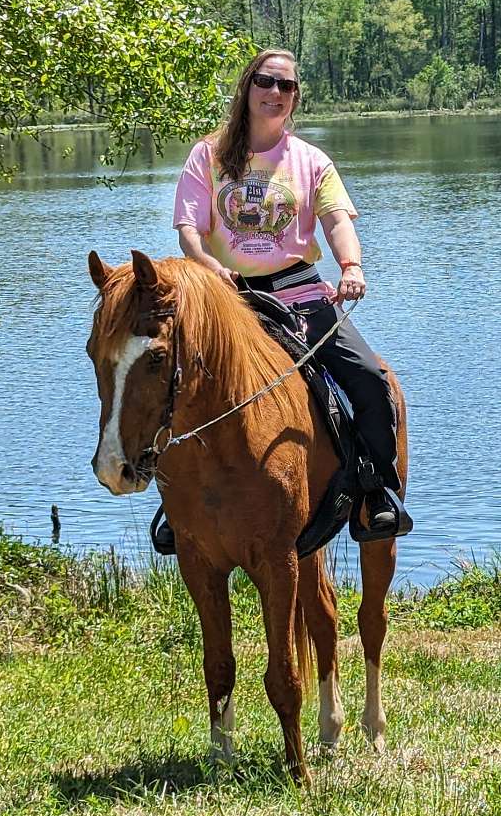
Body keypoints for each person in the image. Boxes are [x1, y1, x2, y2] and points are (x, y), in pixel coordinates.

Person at [168, 48, 405, 540]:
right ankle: (175, 508)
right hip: (225, 300)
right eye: (265, 82)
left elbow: (337, 221)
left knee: (369, 379)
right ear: (247, 88)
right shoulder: (207, 155)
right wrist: (209, 266)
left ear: (296, 97)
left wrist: (351, 265)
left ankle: (375, 489)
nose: (275, 93)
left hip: (299, 296)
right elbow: (189, 227)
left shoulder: (311, 161)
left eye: (286, 86)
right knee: (168, 384)